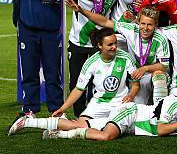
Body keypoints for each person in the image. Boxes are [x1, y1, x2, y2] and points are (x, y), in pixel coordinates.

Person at [8, 28, 141, 137]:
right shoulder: (91, 63)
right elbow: (79, 89)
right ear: (100, 46)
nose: (114, 47)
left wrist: (131, 95)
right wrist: (63, 108)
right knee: (82, 124)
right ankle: (29, 122)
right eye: (110, 44)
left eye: (115, 43)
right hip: (99, 104)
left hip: (120, 104)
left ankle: (55, 133)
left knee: (103, 130)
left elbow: (135, 83)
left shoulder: (126, 58)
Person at [36, 0, 120, 116]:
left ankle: (96, 114)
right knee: (77, 81)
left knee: (99, 81)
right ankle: (79, 115)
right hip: (78, 44)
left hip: (100, 45)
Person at [13, 81, 177, 141]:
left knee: (82, 124)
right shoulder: (173, 103)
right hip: (130, 114)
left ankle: (31, 121)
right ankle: (58, 134)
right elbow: (160, 130)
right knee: (105, 136)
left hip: (133, 127)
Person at [0, 0, 64, 116]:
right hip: (27, 31)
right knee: (29, 74)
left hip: (51, 31)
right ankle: (30, 110)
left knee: (53, 75)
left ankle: (56, 111)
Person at [66, 1, 170, 106]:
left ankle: (161, 114)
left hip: (151, 74)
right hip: (136, 76)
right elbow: (105, 22)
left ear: (156, 25)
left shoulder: (160, 39)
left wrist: (145, 68)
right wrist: (81, 10)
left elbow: (164, 66)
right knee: (139, 107)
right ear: (138, 22)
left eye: (150, 25)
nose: (145, 28)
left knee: (159, 77)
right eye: (143, 24)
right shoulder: (130, 30)